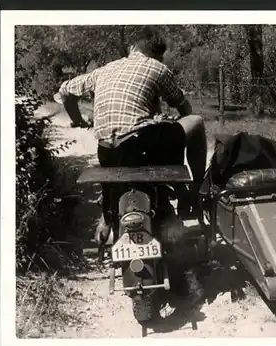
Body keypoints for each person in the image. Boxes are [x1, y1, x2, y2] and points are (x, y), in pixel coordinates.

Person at [58, 27, 207, 243]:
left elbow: (65, 90)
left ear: (131, 48)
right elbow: (185, 108)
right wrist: (172, 122)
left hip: (107, 151)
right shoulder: (157, 68)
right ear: (158, 54)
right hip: (141, 146)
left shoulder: (104, 70)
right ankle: (194, 190)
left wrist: (78, 119)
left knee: (120, 168)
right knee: (197, 123)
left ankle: (107, 219)